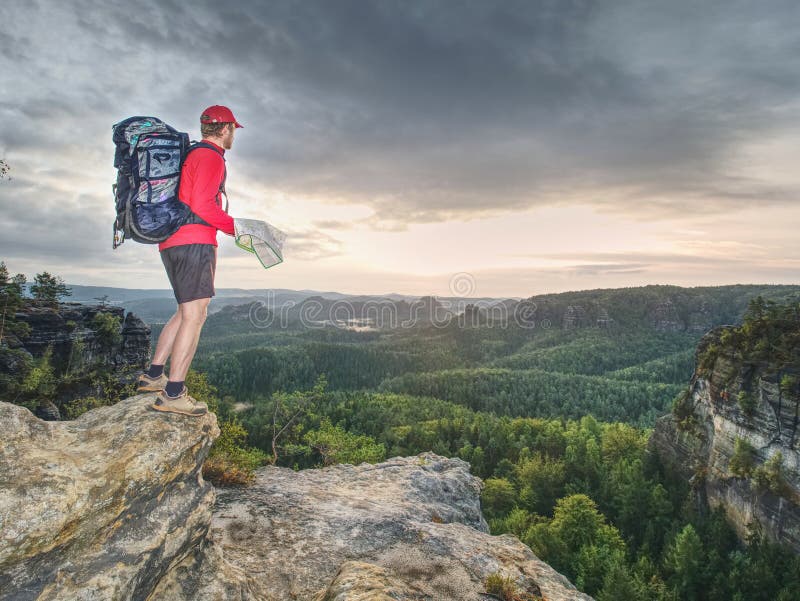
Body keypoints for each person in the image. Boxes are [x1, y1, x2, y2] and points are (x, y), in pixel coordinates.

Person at [136, 105, 243, 416]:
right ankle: (173, 393)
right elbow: (202, 204)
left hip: (171, 241)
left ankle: (154, 376)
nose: (234, 134)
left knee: (186, 312)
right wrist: (236, 228)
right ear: (226, 129)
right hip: (194, 241)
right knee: (196, 316)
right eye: (233, 129)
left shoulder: (192, 154)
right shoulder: (210, 157)